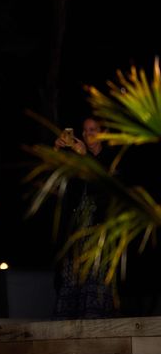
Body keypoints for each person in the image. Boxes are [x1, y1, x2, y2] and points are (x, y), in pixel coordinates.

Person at [52, 116, 117, 319]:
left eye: (93, 129)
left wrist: (85, 156)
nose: (88, 134)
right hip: (76, 235)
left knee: (95, 286)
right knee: (71, 284)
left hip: (100, 233)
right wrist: (57, 150)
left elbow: (107, 185)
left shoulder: (112, 158)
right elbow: (57, 184)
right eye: (85, 130)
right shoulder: (77, 159)